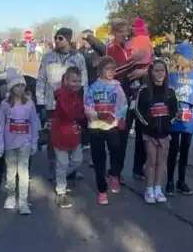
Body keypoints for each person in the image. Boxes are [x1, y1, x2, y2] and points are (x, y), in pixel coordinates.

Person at [36, 27, 88, 180]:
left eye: (60, 38)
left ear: (68, 39)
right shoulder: (48, 57)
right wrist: (40, 102)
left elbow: (84, 82)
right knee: (53, 138)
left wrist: (83, 102)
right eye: (56, 38)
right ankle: (54, 169)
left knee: (72, 134)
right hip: (52, 104)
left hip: (72, 105)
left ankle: (70, 170)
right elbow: (41, 79)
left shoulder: (78, 58)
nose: (57, 41)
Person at [106, 18, 147, 183]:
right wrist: (132, 62)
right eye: (120, 32)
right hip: (121, 98)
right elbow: (111, 72)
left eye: (126, 31)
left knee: (142, 134)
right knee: (121, 136)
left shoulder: (132, 46)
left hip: (138, 95)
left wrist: (143, 71)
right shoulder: (110, 49)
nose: (124, 34)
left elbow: (147, 65)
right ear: (114, 33)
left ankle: (138, 169)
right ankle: (115, 171)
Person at [0, 69, 40, 215]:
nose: (20, 89)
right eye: (17, 86)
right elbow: (1, 124)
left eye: (22, 85)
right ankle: (10, 196)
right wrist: (0, 143)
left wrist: (34, 142)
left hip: (25, 142)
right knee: (10, 171)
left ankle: (23, 201)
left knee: (23, 172)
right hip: (9, 143)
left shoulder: (29, 104)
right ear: (11, 88)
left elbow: (34, 123)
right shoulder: (5, 104)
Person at [85, 56, 128, 205]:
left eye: (113, 69)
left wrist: (119, 118)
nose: (111, 72)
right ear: (101, 70)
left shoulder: (117, 86)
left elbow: (123, 104)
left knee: (116, 151)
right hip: (96, 126)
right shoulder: (94, 87)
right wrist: (98, 115)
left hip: (112, 126)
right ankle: (102, 190)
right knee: (99, 159)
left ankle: (115, 174)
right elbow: (87, 106)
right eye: (107, 69)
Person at [135, 59, 177, 204]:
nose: (160, 73)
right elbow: (138, 110)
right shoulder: (144, 91)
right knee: (151, 161)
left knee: (161, 162)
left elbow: (174, 111)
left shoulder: (171, 91)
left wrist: (167, 124)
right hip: (149, 133)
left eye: (162, 70)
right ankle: (149, 189)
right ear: (151, 73)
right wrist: (149, 125)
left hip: (164, 133)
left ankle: (158, 189)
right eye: (156, 70)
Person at [166, 43, 193, 197]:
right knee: (173, 150)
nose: (175, 57)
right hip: (175, 118)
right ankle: (169, 181)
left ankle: (181, 181)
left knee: (184, 151)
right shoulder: (171, 75)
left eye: (177, 55)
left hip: (189, 118)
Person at [50, 67, 86, 208]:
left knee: (77, 159)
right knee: (63, 163)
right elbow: (70, 113)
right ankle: (61, 191)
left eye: (78, 81)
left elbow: (79, 112)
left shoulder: (76, 95)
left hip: (73, 133)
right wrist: (82, 114)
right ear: (65, 80)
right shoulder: (61, 96)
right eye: (73, 81)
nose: (76, 84)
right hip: (61, 134)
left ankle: (60, 176)